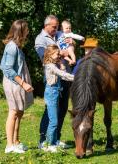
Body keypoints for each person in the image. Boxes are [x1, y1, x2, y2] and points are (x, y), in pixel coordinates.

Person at [35, 15, 72, 149]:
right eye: (54, 27)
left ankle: (56, 139)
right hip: (53, 78)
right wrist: (61, 53)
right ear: (46, 25)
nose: (56, 29)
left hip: (65, 76)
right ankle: (43, 140)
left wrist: (70, 44)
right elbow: (44, 57)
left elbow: (70, 43)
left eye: (57, 27)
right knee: (50, 110)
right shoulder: (40, 40)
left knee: (62, 108)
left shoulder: (59, 34)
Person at [0, 19, 34, 154]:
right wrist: (23, 83)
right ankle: (9, 145)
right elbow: (7, 69)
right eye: (26, 29)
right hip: (13, 83)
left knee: (20, 111)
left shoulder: (17, 46)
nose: (28, 32)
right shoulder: (12, 47)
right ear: (20, 31)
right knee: (13, 112)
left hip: (18, 82)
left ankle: (16, 141)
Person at [41, 44, 74, 152]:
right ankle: (50, 145)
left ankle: (53, 143)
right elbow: (62, 74)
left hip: (55, 93)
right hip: (51, 93)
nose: (59, 56)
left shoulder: (54, 64)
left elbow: (62, 71)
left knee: (54, 119)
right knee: (53, 121)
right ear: (50, 54)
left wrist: (61, 63)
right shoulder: (50, 66)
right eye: (57, 54)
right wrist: (76, 77)